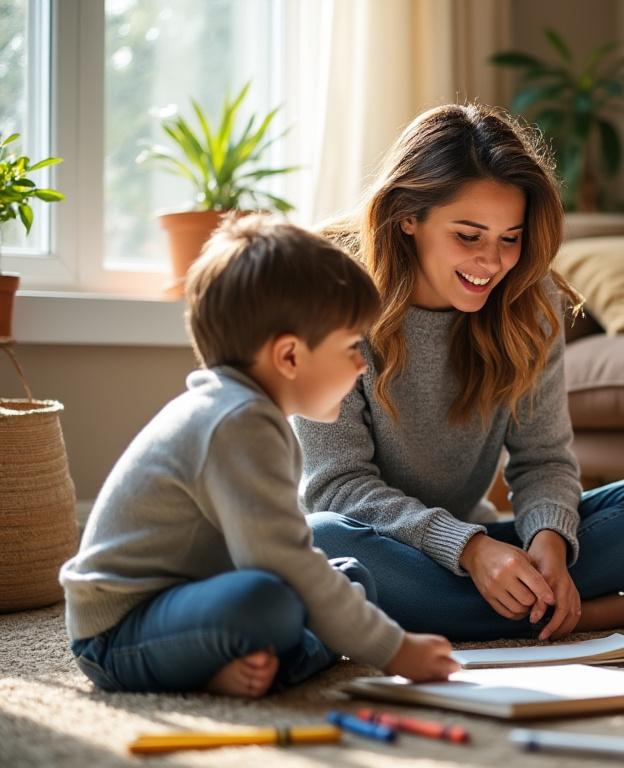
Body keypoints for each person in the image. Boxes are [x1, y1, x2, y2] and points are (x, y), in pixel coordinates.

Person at [295, 103, 624, 641]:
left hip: (479, 542)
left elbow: (543, 458)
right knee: (322, 539)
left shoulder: (530, 300)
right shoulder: (328, 292)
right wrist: (468, 549)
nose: (492, 262)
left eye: (510, 237)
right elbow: (335, 487)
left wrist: (549, 544)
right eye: (468, 235)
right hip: (379, 542)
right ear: (408, 216)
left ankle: (505, 604)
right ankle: (572, 614)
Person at [59, 215, 459, 697]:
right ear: (289, 357)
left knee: (353, 578)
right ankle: (232, 663)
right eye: (353, 346)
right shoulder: (238, 422)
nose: (361, 365)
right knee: (267, 599)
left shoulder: (251, 413)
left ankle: (251, 660)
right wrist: (394, 650)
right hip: (119, 632)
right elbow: (280, 561)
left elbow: (281, 555)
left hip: (196, 598)